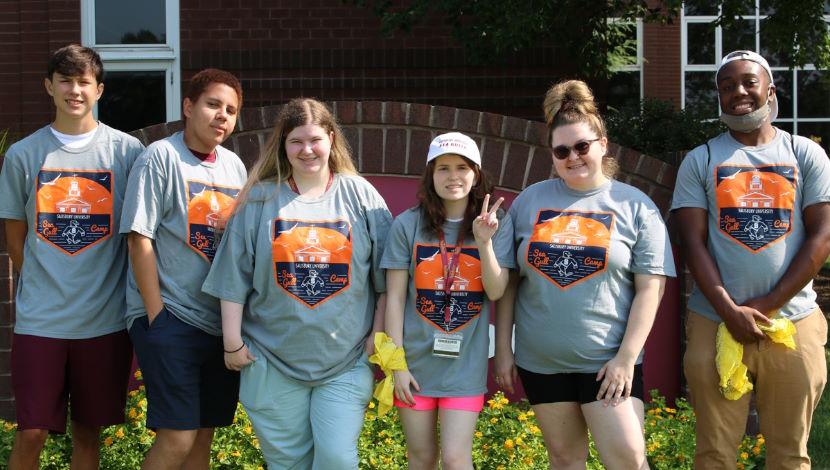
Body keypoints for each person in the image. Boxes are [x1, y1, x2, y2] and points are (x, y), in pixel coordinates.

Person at [494, 80, 675, 470]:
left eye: (582, 146)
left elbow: (651, 289)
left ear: (603, 145)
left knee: (628, 458)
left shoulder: (634, 206)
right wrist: (505, 349)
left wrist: (627, 358)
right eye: (562, 151)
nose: (573, 157)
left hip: (607, 361)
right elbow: (508, 284)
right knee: (565, 460)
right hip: (542, 361)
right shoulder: (529, 202)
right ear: (552, 155)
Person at [202, 98, 392, 469]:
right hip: (270, 360)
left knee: (337, 459)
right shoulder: (260, 199)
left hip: (345, 360)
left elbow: (387, 277)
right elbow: (232, 276)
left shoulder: (360, 195)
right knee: (286, 463)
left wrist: (378, 335)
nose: (307, 150)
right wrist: (232, 343)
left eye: (315, 139)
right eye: (296, 141)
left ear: (332, 139)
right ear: (283, 145)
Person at [672, 50, 830, 469]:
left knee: (789, 453)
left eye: (748, 82)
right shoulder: (701, 159)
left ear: (770, 90)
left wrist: (765, 306)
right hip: (714, 320)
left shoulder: (805, 154)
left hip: (792, 321)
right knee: (714, 453)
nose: (738, 92)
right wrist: (729, 309)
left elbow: (823, 235)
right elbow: (692, 243)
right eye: (727, 87)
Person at [0, 44, 144, 470]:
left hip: (104, 320)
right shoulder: (23, 155)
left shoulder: (127, 152)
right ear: (49, 86)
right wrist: (44, 282)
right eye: (65, 80)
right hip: (41, 319)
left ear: (99, 90)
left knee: (87, 433)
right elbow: (15, 237)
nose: (74, 90)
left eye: (84, 82)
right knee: (31, 432)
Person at [120, 68, 247, 470]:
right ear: (189, 106)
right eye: (213, 104)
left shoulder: (234, 167)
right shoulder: (160, 156)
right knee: (177, 437)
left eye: (230, 109)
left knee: (203, 437)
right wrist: (157, 316)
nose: (222, 116)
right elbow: (138, 237)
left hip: (216, 323)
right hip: (170, 316)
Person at [380, 133, 513, 470]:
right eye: (443, 168)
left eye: (462, 167)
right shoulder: (407, 224)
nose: (453, 176)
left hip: (463, 369)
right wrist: (396, 367)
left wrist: (483, 242)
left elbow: (496, 291)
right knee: (421, 458)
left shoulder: (498, 223)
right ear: (431, 175)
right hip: (413, 369)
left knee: (456, 460)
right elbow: (394, 299)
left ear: (477, 175)